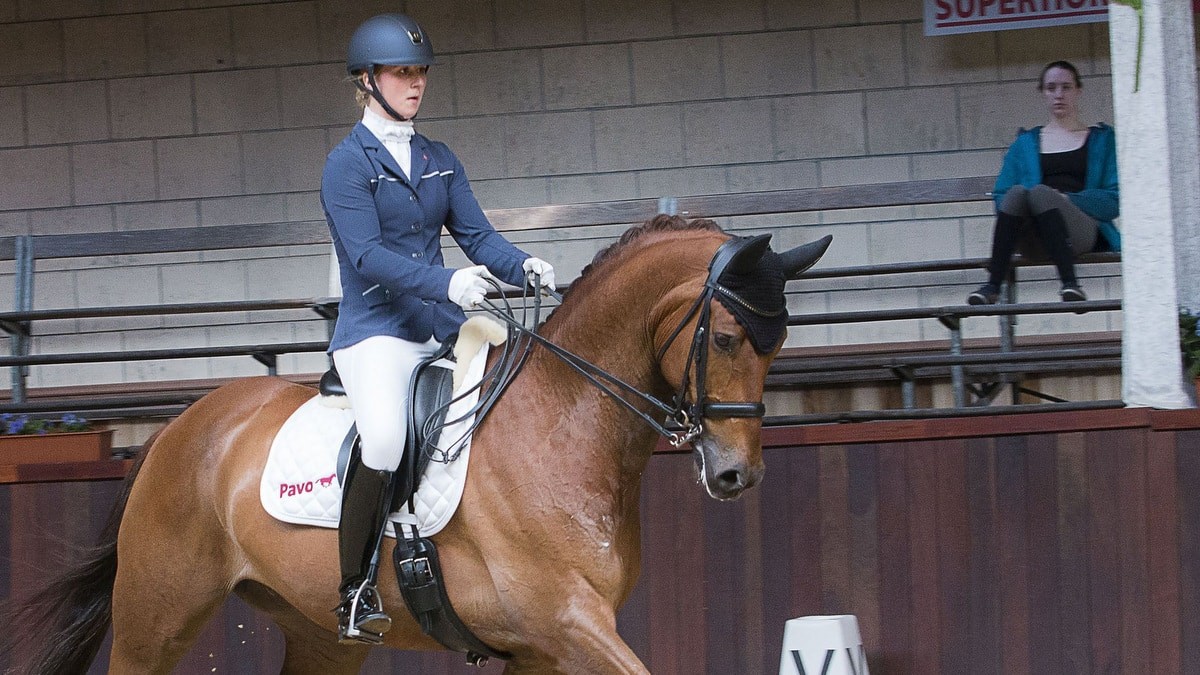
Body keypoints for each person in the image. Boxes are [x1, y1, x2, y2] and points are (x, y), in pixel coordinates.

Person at [320, 13, 556, 644]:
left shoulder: (438, 159)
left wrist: (523, 264)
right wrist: (448, 283)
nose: (416, 83)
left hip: (441, 323)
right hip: (376, 332)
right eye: (403, 73)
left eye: (420, 72)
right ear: (367, 81)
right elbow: (367, 256)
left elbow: (476, 235)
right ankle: (354, 590)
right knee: (387, 440)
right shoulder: (346, 166)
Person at [967, 60, 1120, 306]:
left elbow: (1115, 200)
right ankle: (992, 286)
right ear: (1043, 93)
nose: (1059, 95)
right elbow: (1001, 197)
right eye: (1051, 88)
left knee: (1039, 193)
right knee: (1018, 193)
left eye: (1066, 87)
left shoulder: (1102, 140)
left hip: (1081, 234)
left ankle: (1070, 284)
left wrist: (1068, 199)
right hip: (1034, 239)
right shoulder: (1025, 143)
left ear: (1078, 91)